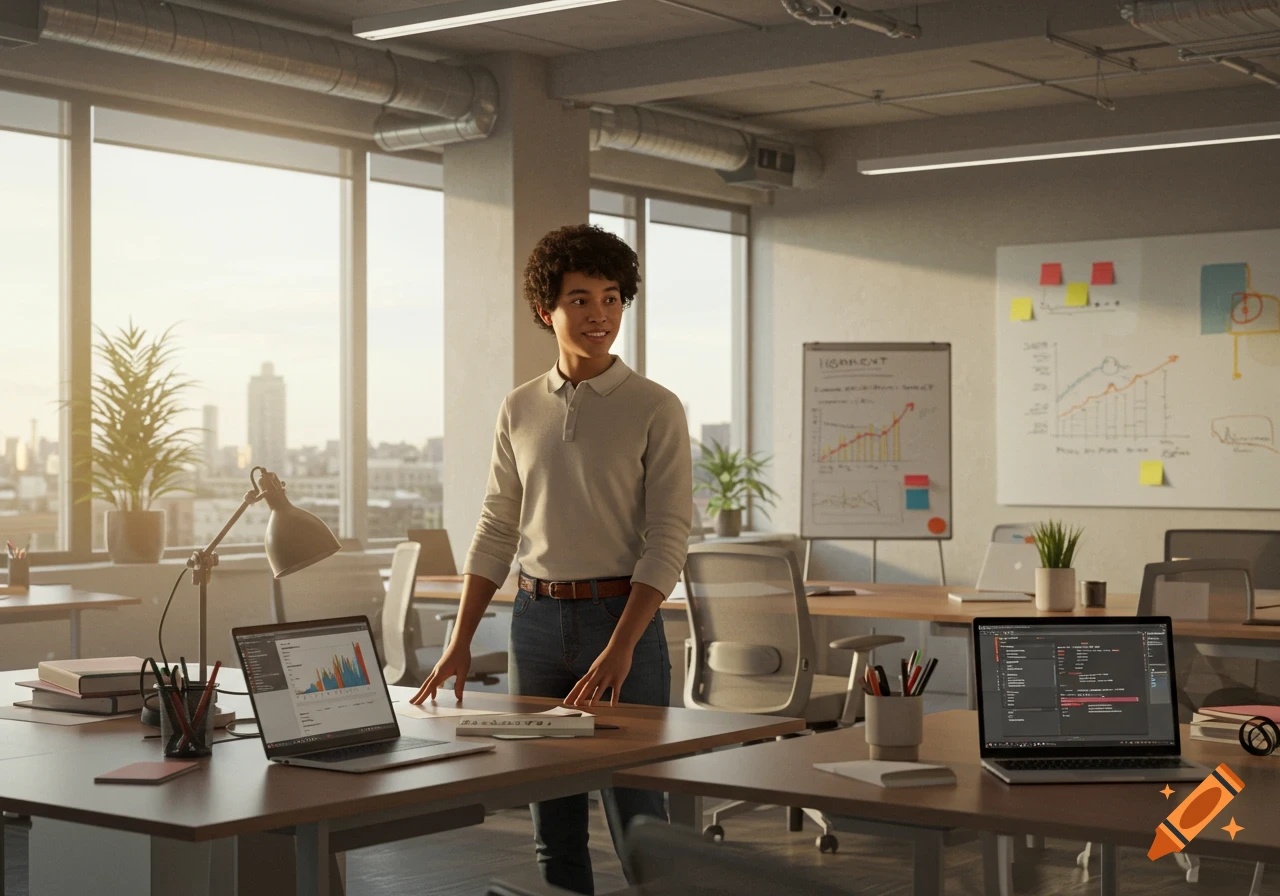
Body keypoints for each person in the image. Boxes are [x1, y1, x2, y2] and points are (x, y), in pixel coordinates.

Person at [411, 223, 693, 895]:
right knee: (552, 823)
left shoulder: (656, 408)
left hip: (620, 623)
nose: (600, 316)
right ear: (547, 310)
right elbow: (496, 527)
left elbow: (668, 538)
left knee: (639, 820)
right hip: (534, 624)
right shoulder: (519, 407)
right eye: (581, 300)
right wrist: (459, 641)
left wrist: (624, 645)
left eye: (612, 298)